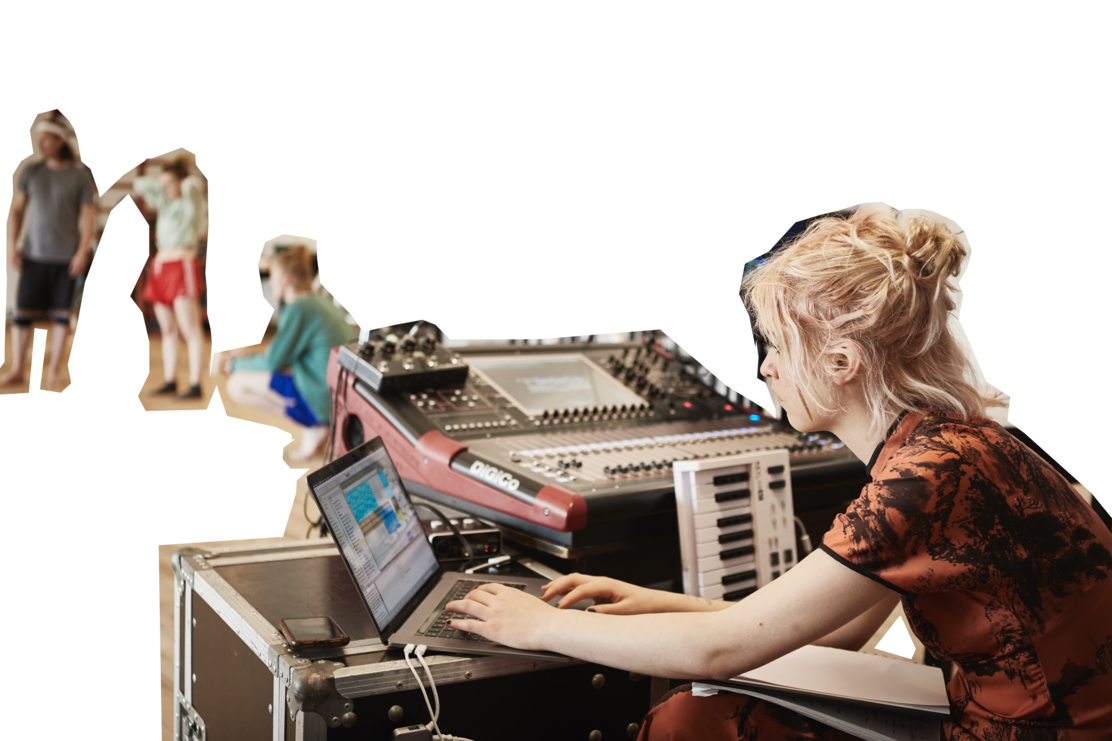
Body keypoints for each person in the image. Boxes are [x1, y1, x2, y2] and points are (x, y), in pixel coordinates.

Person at [440, 205, 1112, 740]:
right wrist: (652, 601)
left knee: (691, 720)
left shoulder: (925, 479)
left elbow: (721, 651)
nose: (765, 368)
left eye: (780, 348)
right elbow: (834, 630)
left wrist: (537, 627)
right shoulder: (947, 444)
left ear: (843, 362)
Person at [222, 245, 356, 461]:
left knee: (236, 384)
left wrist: (234, 364)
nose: (270, 281)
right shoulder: (319, 302)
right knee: (265, 372)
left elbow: (273, 362)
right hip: (337, 392)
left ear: (286, 279)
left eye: (273, 276)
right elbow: (281, 355)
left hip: (322, 396)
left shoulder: (299, 307)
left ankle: (314, 424)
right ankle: (316, 424)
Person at [2, 119, 96, 391]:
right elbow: (17, 210)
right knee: (22, 315)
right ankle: (17, 371)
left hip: (66, 260)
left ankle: (54, 372)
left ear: (60, 141)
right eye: (38, 137)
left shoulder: (79, 177)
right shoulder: (31, 172)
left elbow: (89, 217)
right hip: (32, 256)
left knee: (61, 318)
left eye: (45, 138)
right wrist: (12, 245)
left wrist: (81, 253)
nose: (40, 143)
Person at [132, 154, 207, 399]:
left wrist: (182, 174)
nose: (164, 188)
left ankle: (195, 385)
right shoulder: (165, 202)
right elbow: (140, 185)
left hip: (181, 266)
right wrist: (166, 182)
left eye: (169, 184)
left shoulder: (191, 200)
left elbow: (192, 184)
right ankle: (170, 380)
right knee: (168, 329)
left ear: (181, 182)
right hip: (160, 268)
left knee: (190, 328)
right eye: (162, 184)